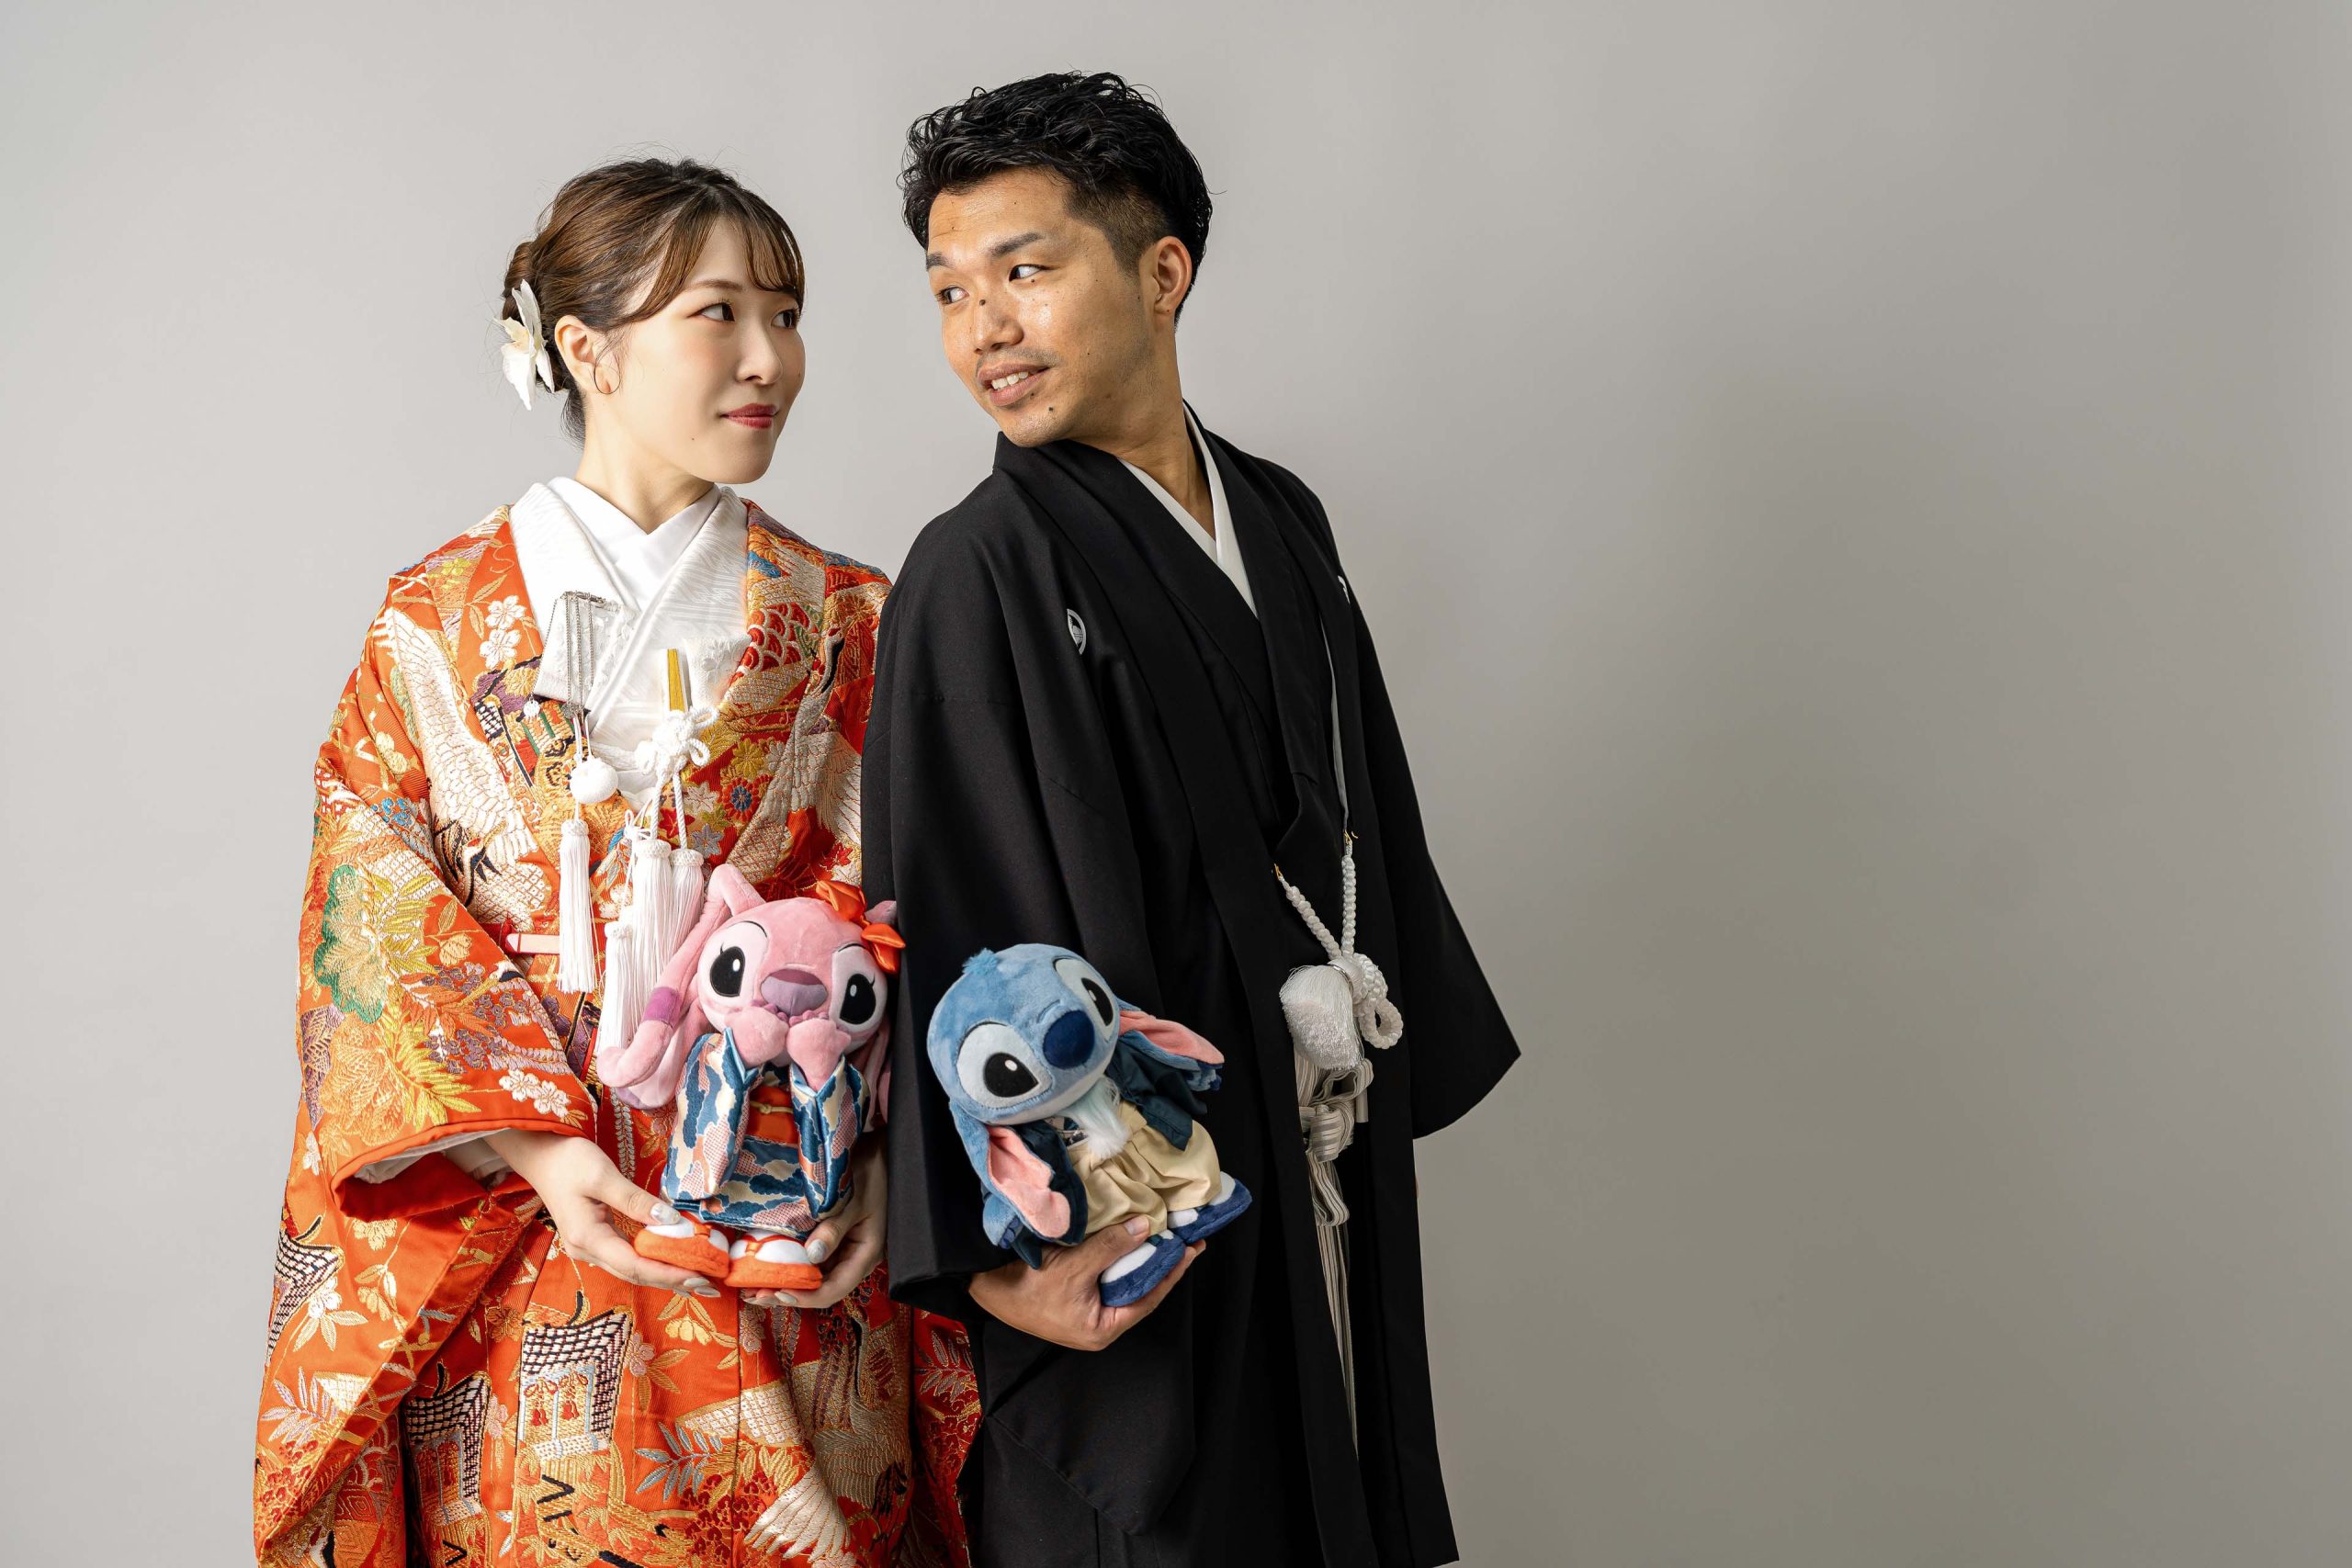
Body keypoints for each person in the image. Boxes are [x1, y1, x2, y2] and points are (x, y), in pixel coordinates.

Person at [254, 159, 977, 1568]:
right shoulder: (435, 619)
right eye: (720, 313)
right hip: (532, 1215)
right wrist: (536, 1143)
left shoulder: (851, 617)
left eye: (787, 314)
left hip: (785, 1196)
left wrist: (888, 1163)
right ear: (586, 350)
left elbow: (928, 906)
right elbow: (371, 913)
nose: (770, 358)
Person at [868, 73, 1520, 1568]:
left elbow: (1360, 816)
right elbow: (945, 922)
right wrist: (989, 1267)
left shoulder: (1281, 516)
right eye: (951, 291)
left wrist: (1375, 1050)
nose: (985, 329)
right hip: (1124, 1207)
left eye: (1025, 271)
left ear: (1161, 272)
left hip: (1312, 1139)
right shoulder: (978, 569)